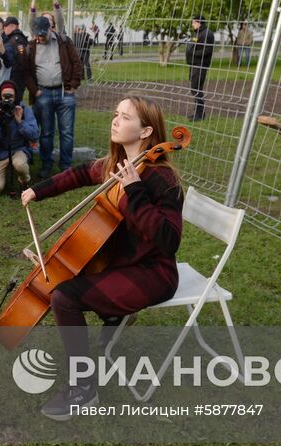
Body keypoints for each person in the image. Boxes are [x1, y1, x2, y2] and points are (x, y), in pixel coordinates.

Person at [20, 95, 184, 420]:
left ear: (146, 131)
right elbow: (81, 173)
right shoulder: (119, 165)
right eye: (116, 113)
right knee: (70, 276)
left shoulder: (160, 179)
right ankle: (115, 315)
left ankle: (84, 389)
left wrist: (135, 190)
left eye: (125, 117)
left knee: (64, 298)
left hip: (153, 273)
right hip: (122, 262)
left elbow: (168, 240)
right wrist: (40, 190)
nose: (115, 120)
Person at [22, 2, 83, 175]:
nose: (40, 38)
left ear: (50, 29)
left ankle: (65, 166)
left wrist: (73, 85)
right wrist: (35, 91)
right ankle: (46, 165)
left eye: (43, 34)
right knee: (46, 133)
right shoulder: (31, 46)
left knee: (67, 133)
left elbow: (76, 63)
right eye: (38, 35)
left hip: (65, 93)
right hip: (44, 94)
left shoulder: (63, 42)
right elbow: (26, 72)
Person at [0, 81, 39, 194]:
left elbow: (34, 135)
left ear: (16, 96)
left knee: (19, 164)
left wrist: (20, 122)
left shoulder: (23, 109)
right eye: (5, 97)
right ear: (0, 96)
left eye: (11, 97)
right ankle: (2, 173)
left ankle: (24, 180)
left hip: (18, 149)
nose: (8, 100)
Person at [185, 16, 215, 121]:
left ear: (199, 23)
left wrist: (192, 53)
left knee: (196, 89)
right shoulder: (197, 33)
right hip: (194, 64)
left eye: (193, 22)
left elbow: (207, 51)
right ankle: (198, 113)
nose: (192, 24)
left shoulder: (207, 34)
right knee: (194, 89)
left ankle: (199, 114)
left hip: (200, 65)